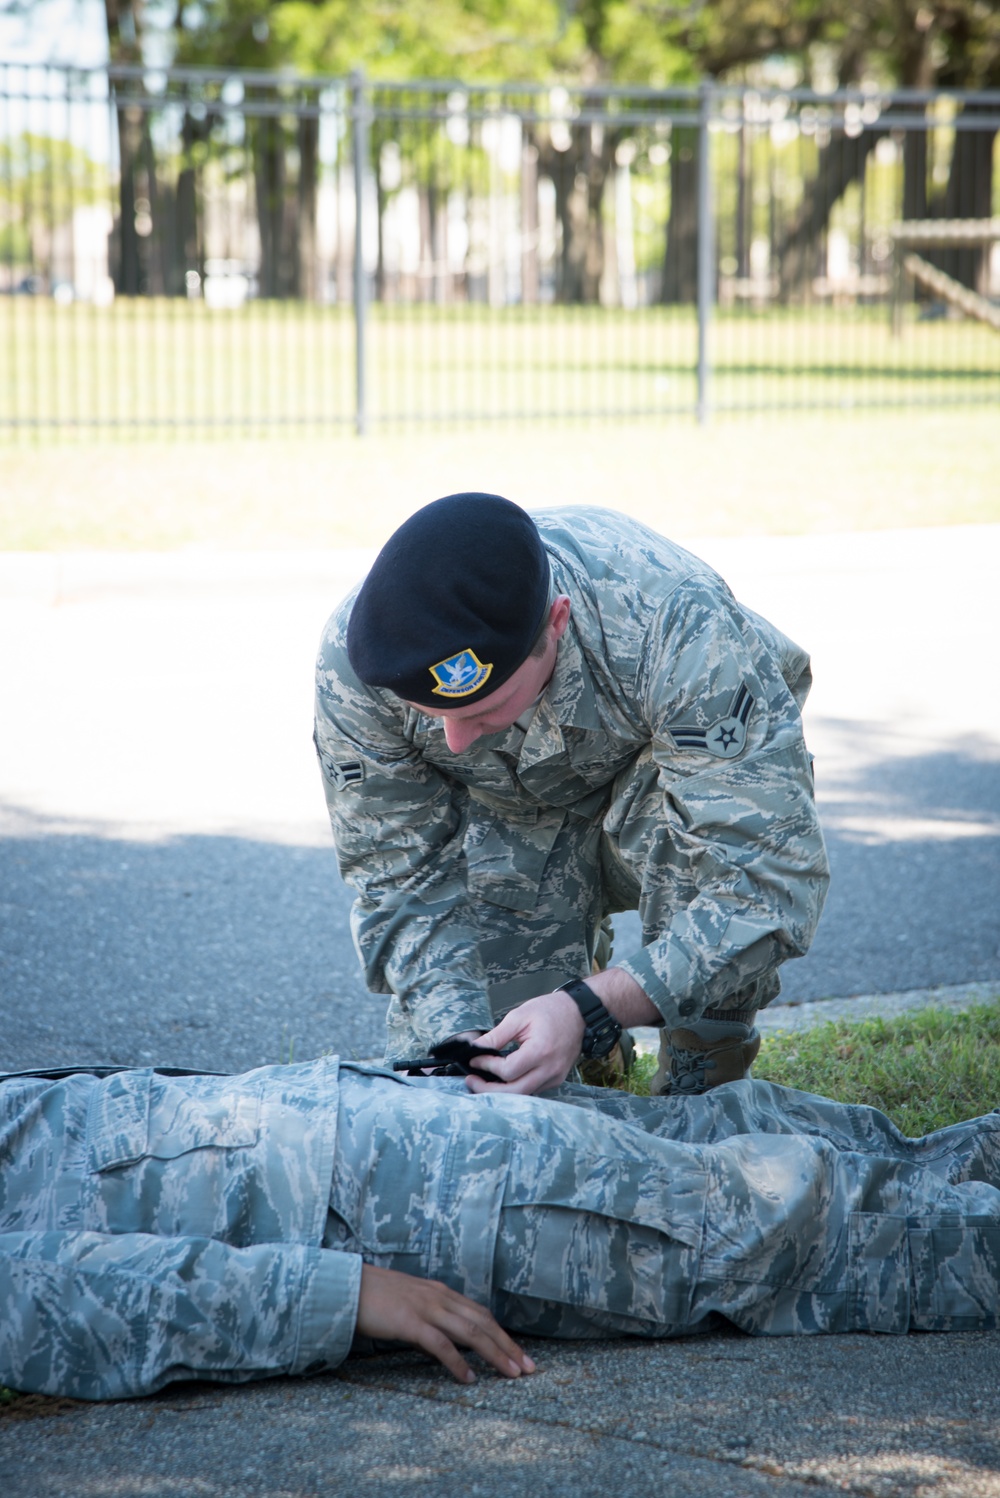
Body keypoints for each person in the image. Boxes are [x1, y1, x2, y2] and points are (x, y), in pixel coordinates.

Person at [1, 1058, 998, 1401]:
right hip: (360, 1199)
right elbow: (55, 1290)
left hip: (362, 1149)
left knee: (754, 1170)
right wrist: (339, 1293)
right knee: (762, 1216)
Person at [314, 493, 830, 1095]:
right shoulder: (360, 665)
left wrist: (589, 1007)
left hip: (661, 798)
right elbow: (401, 879)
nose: (453, 742)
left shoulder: (677, 623)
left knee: (702, 880)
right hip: (509, 822)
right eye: (430, 715)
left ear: (555, 624)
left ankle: (698, 1066)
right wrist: (463, 1044)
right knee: (483, 1074)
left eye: (483, 710)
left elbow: (763, 885)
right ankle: (585, 1035)